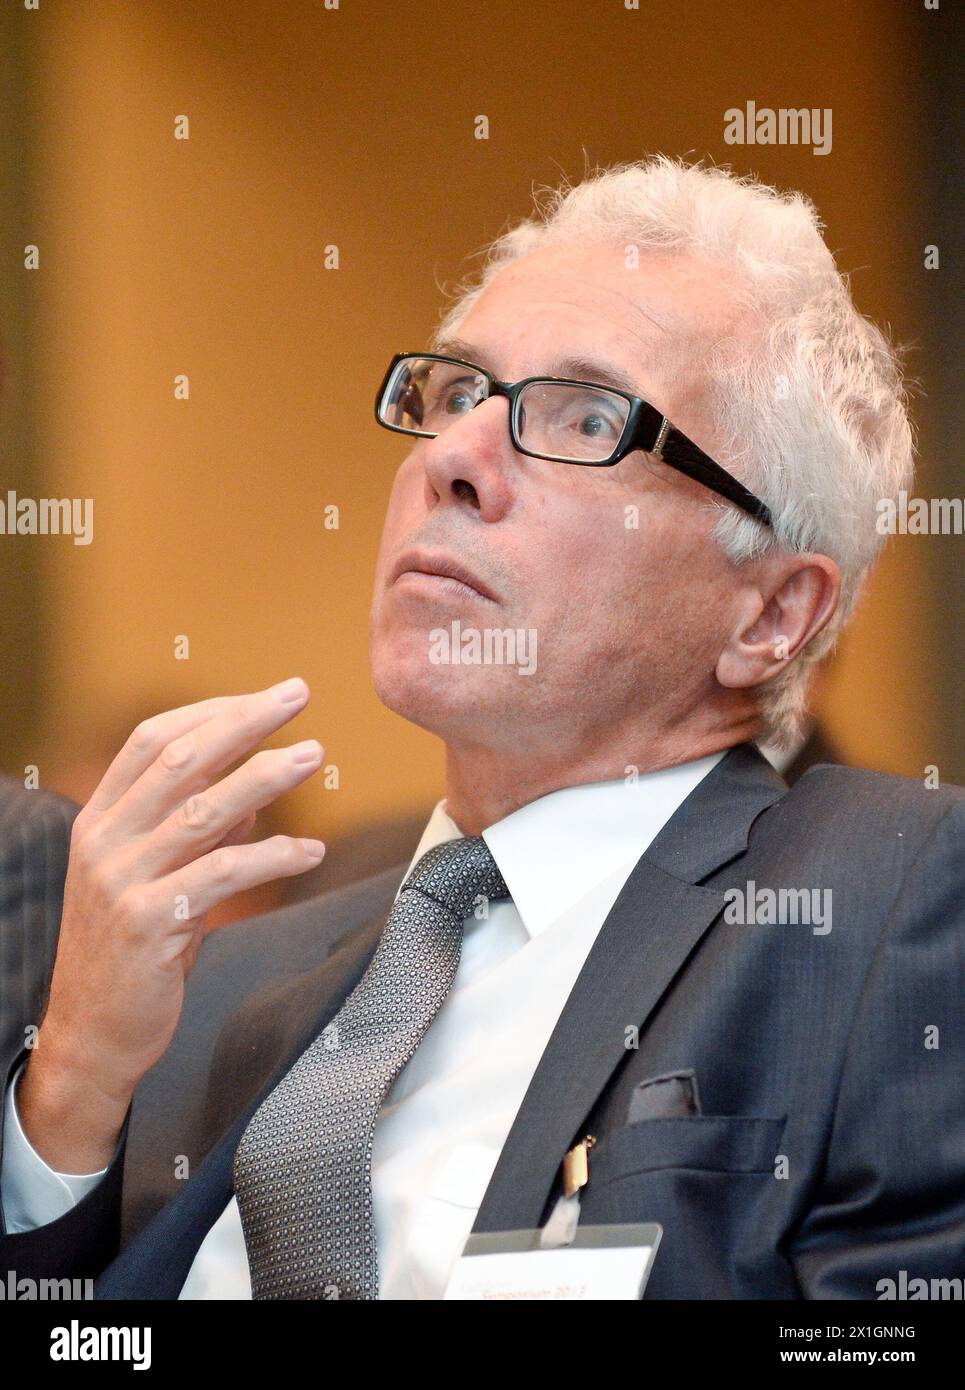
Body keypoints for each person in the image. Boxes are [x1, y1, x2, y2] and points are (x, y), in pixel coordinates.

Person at [1, 155, 962, 1300]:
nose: (452, 458)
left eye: (588, 417)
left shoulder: (891, 899)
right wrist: (71, 1086)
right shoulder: (215, 986)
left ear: (768, 614)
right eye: (458, 395)